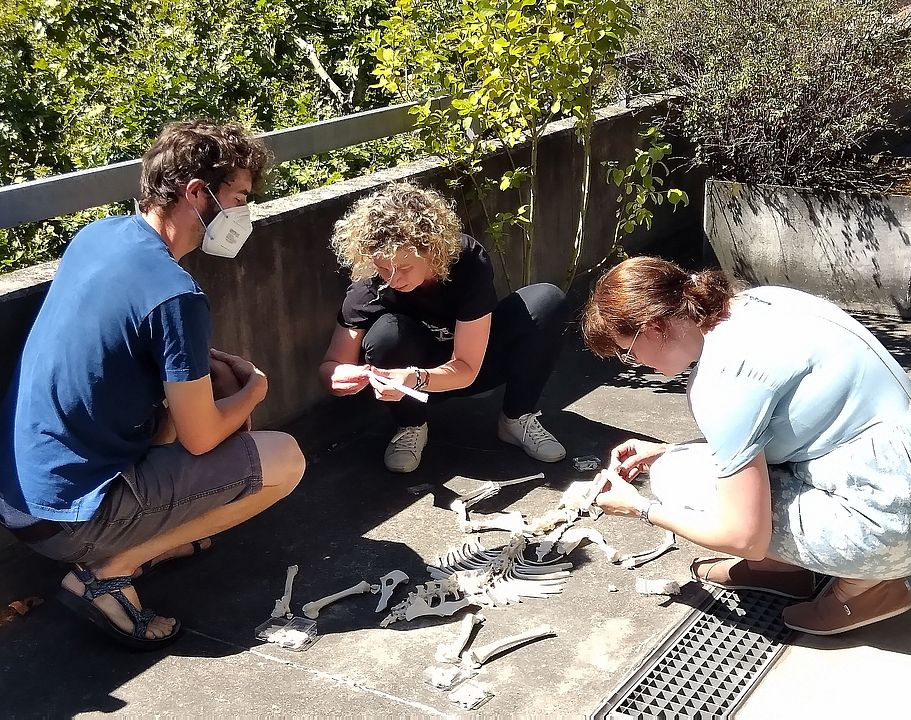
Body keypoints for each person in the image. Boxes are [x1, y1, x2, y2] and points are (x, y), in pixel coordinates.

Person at [0, 120, 306, 648]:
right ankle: (109, 573)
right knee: (283, 458)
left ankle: (144, 542)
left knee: (206, 416)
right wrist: (254, 388)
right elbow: (201, 438)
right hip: (66, 517)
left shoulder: (98, 236)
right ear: (196, 193)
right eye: (237, 198)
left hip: (20, 497)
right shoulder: (176, 295)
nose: (242, 215)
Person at [583, 256, 911, 635]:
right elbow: (787, 420)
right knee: (678, 461)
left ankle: (868, 588)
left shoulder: (720, 381)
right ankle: (782, 569)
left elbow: (743, 536)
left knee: (674, 479)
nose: (633, 364)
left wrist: (640, 508)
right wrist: (669, 448)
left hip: (895, 531)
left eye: (627, 351)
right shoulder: (759, 301)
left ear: (655, 328)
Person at [320, 182, 568, 473]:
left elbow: (466, 367)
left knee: (547, 301)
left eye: (404, 267)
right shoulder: (370, 285)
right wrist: (339, 378)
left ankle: (516, 418)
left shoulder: (466, 260)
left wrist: (415, 378)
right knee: (386, 334)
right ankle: (410, 426)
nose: (393, 279)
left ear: (432, 250)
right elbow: (331, 366)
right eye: (383, 268)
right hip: (411, 386)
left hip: (467, 367)